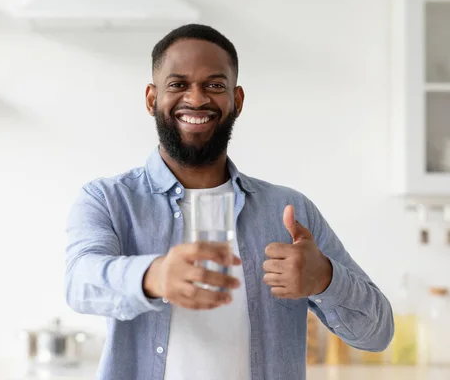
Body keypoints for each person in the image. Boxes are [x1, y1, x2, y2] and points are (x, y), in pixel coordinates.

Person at [64, 24, 394, 380]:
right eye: (177, 84)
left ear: (236, 100)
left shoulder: (288, 212)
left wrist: (327, 279)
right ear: (151, 99)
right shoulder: (109, 199)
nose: (197, 98)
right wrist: (154, 275)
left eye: (214, 85)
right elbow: (80, 284)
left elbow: (377, 333)